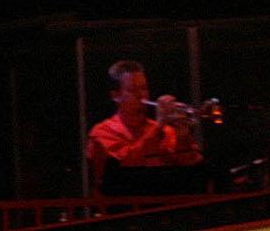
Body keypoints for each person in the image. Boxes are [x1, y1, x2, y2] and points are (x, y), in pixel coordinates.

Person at [87, 60, 205, 196]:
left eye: (144, 88)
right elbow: (127, 163)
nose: (141, 95)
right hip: (123, 209)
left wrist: (182, 135)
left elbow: (191, 168)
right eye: (132, 90)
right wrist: (159, 126)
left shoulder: (165, 131)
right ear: (116, 96)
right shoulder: (102, 132)